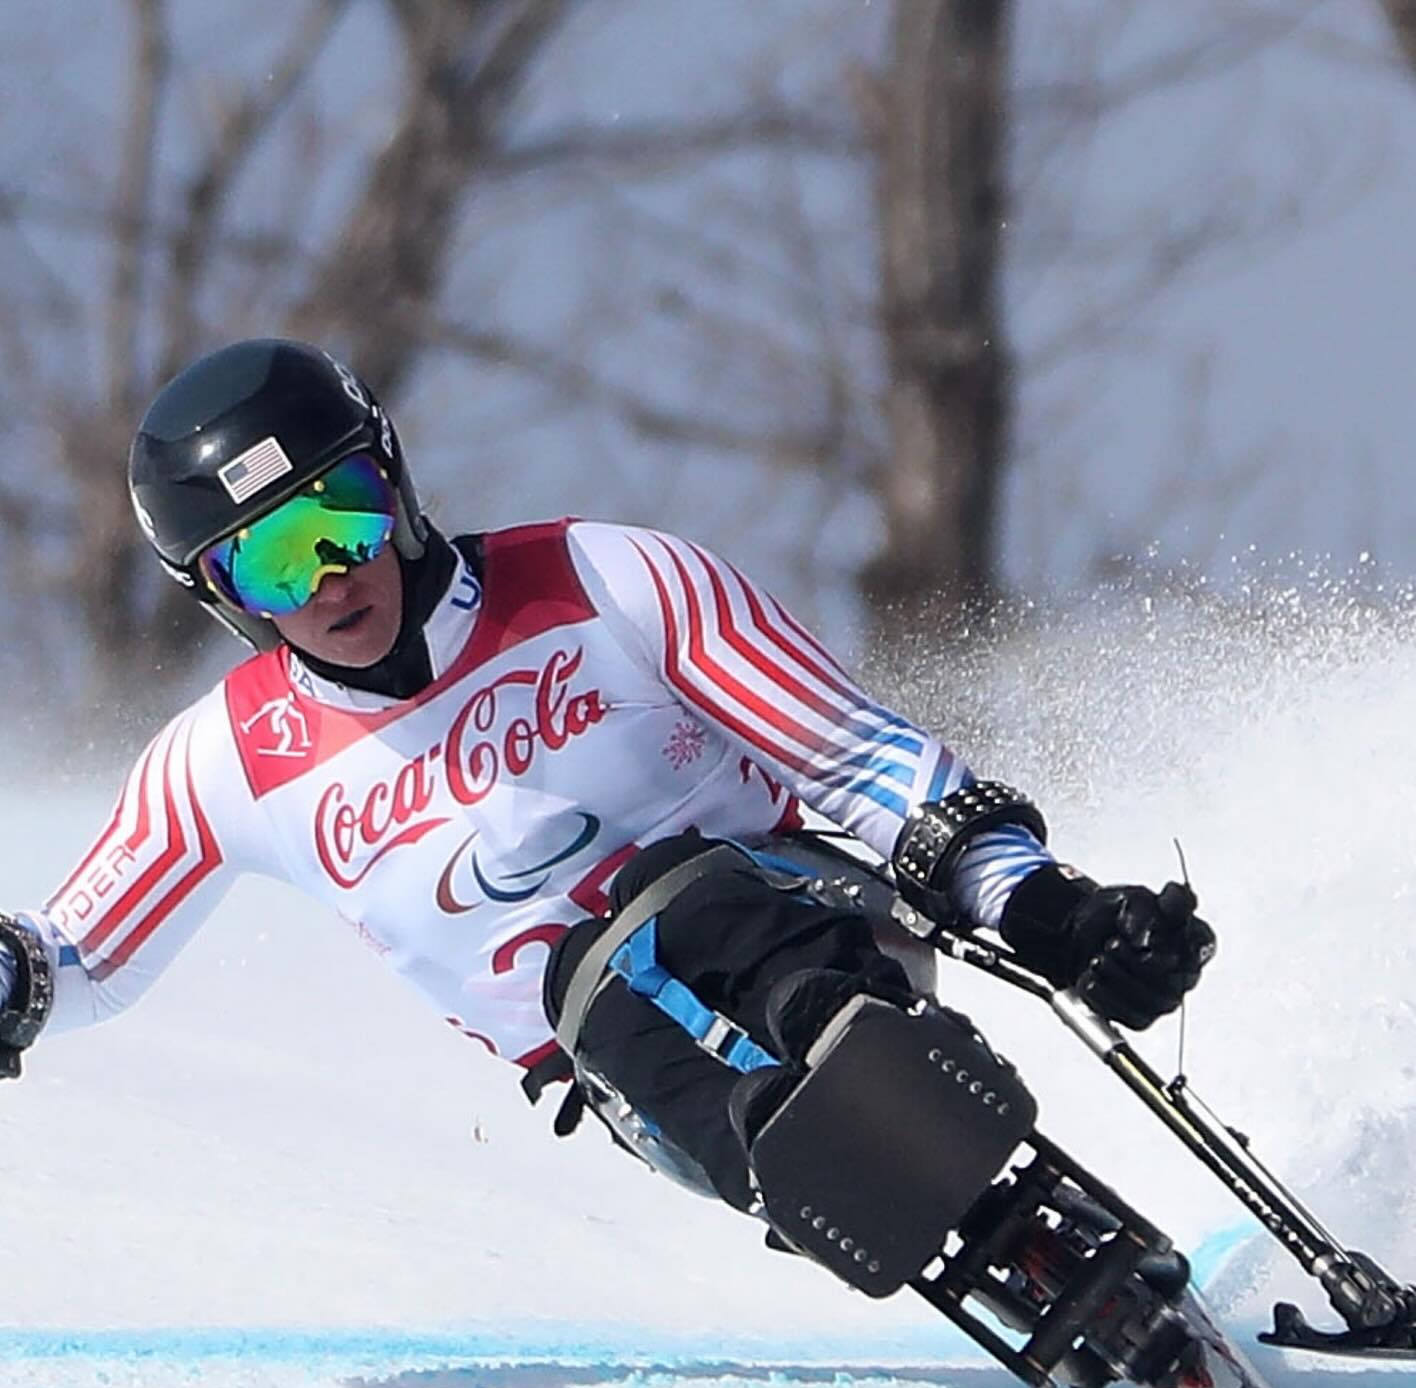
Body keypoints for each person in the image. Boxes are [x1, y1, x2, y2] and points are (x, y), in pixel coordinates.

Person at [0, 339, 1214, 1268]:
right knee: (589, 976)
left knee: (658, 901)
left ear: (396, 481)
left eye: (343, 516)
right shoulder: (227, 763)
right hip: (648, 1077)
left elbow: (858, 758)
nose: (327, 578)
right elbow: (79, 961)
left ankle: (848, 1050)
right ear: (221, 597)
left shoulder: (603, 579)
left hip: (813, 924)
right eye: (269, 560)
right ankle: (796, 1153)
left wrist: (1046, 907)